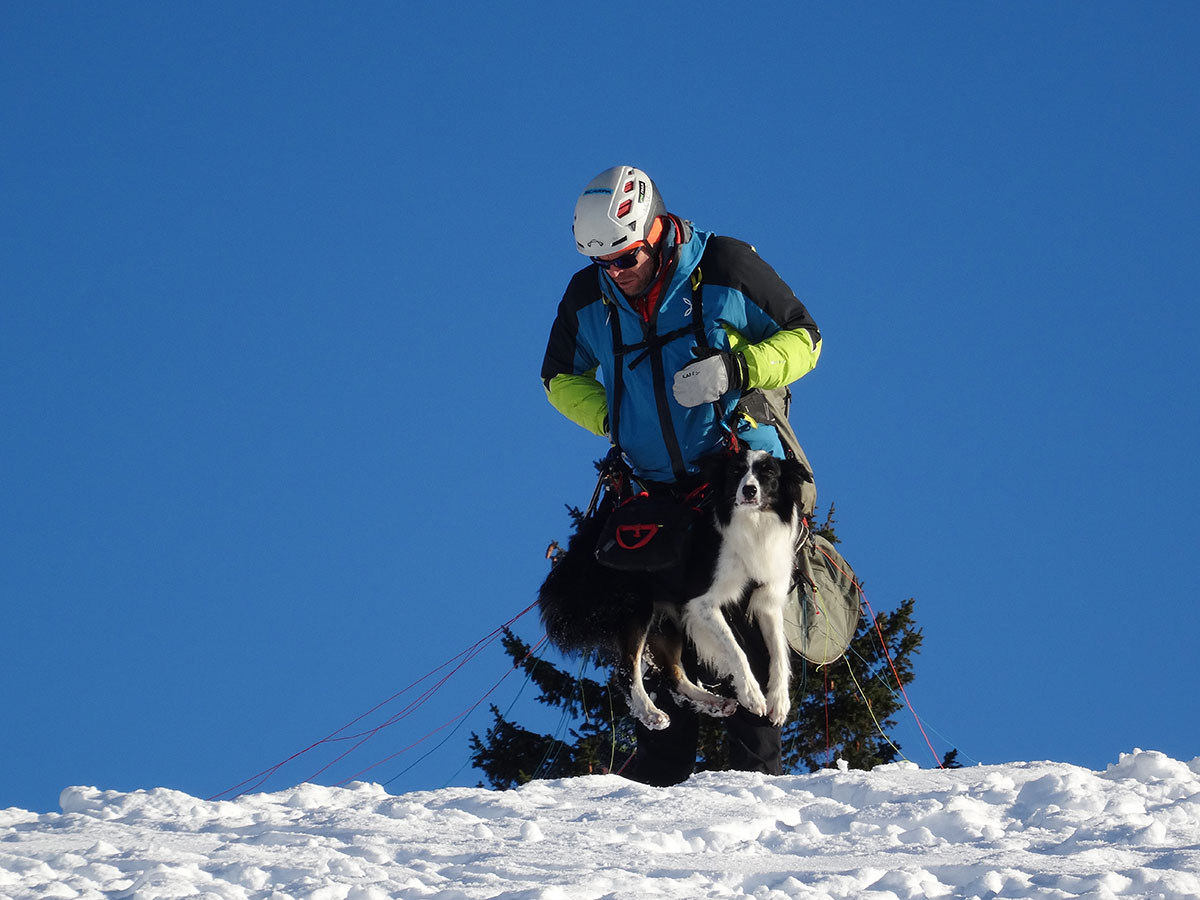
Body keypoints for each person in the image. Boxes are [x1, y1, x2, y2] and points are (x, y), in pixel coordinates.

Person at [540, 165, 822, 785]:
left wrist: (737, 370)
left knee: (744, 619)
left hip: (735, 477)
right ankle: (660, 783)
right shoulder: (588, 297)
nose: (617, 272)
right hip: (653, 492)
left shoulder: (723, 265)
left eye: (627, 257)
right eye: (604, 262)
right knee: (662, 618)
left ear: (656, 228)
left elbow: (805, 338)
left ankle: (756, 778)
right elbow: (557, 377)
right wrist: (612, 415)